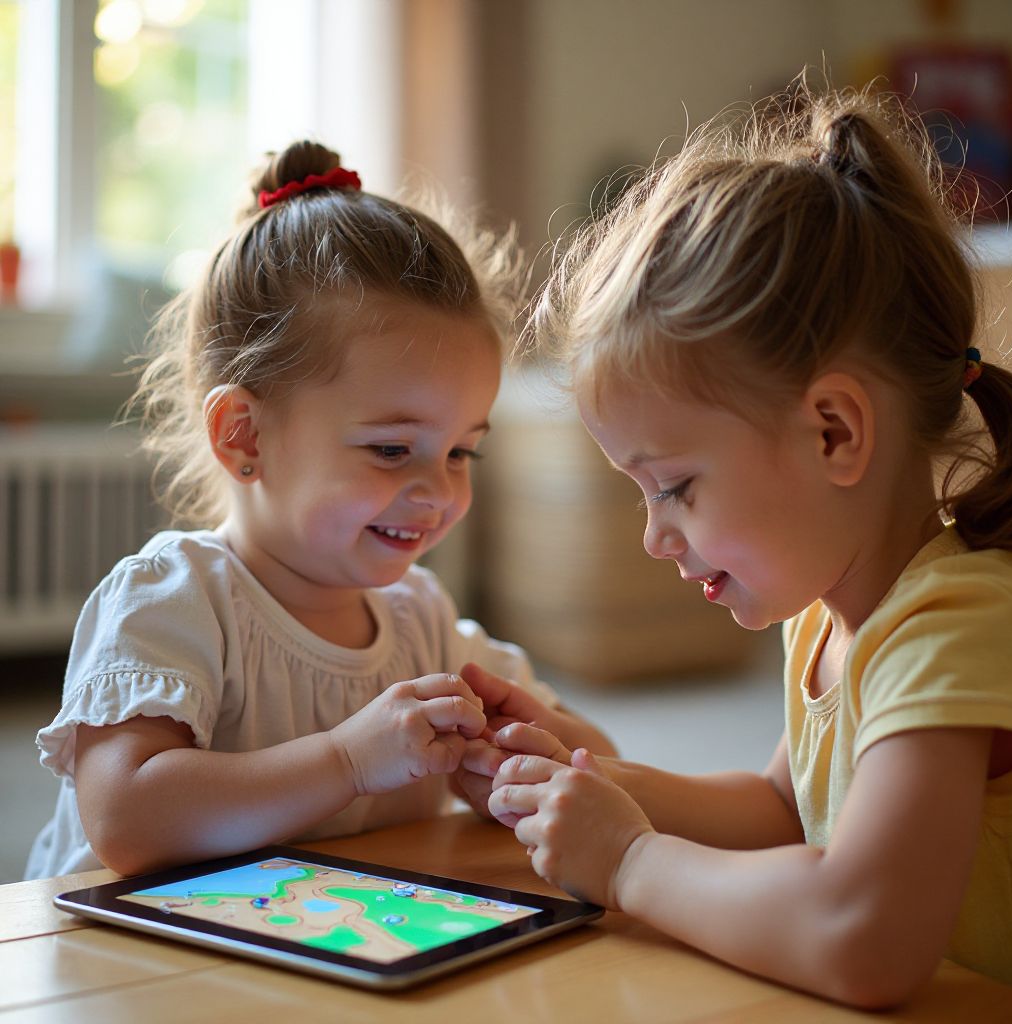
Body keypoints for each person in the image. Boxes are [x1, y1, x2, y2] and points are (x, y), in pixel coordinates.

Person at [480, 83, 1012, 1006]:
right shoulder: (828, 620)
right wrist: (584, 777)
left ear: (834, 435)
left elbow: (866, 934)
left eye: (677, 486)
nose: (655, 535)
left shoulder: (952, 628)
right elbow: (785, 813)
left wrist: (633, 865)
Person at [25, 141, 612, 881]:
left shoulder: (422, 623)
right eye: (393, 450)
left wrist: (533, 747)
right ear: (244, 437)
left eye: (463, 452)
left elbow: (609, 768)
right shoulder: (175, 600)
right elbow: (125, 820)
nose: (440, 490)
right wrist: (346, 760)